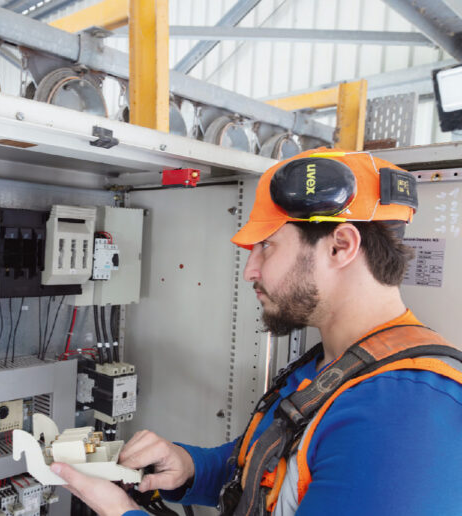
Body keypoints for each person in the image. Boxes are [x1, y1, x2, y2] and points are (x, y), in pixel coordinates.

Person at [50, 149, 462, 515]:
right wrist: (192, 467)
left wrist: (121, 512)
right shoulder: (335, 367)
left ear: (340, 245)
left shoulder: (403, 416)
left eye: (267, 245)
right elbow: (273, 469)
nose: (250, 269)